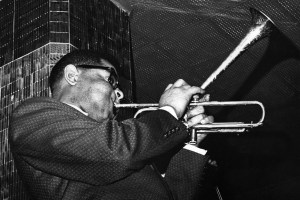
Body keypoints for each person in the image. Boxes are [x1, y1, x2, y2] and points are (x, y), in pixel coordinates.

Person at [9, 50, 214, 200]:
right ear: (73, 75)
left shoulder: (121, 144)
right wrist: (169, 111)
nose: (120, 94)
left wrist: (190, 143)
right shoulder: (32, 115)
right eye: (111, 79)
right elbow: (115, 153)